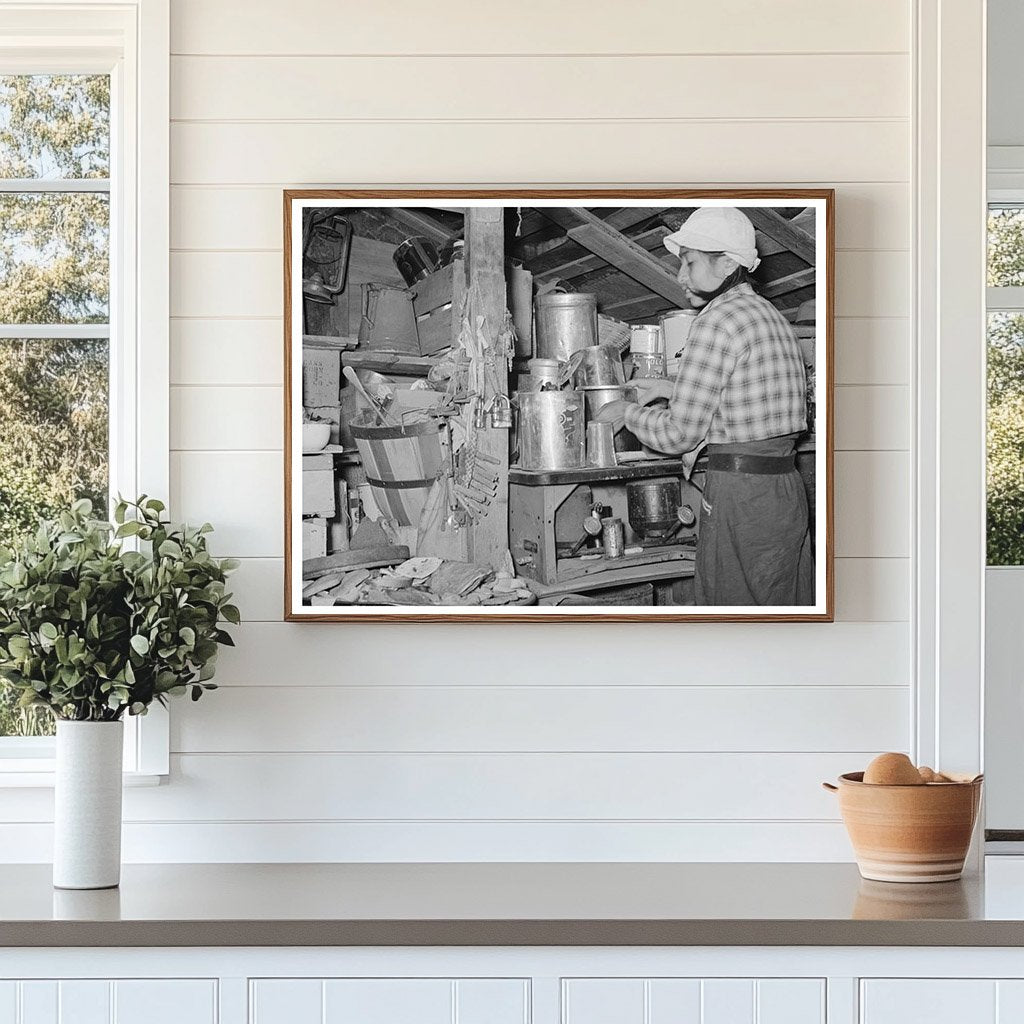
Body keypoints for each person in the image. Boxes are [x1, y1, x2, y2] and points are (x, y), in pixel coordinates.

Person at [598, 206, 813, 606]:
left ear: (727, 262)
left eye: (690, 262)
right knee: (786, 605)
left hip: (741, 495)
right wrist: (667, 386)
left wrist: (626, 413)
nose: (681, 276)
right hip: (784, 490)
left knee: (731, 607)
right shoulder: (770, 316)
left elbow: (679, 434)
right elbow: (744, 392)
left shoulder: (715, 321)